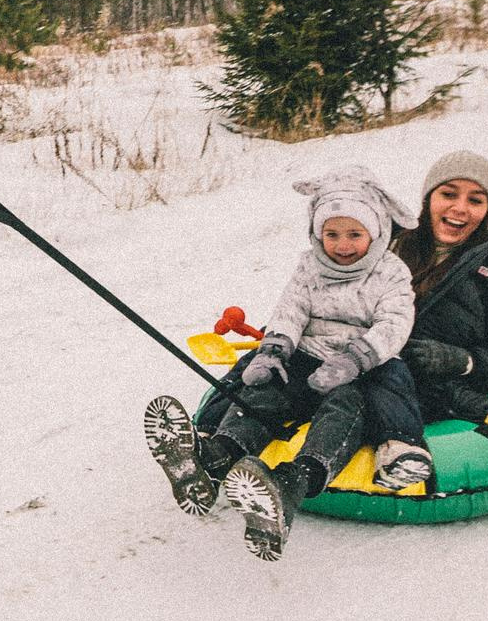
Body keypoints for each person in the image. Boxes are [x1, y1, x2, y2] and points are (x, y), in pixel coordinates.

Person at [163, 166, 420, 561]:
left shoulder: (390, 273)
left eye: (355, 234)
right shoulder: (309, 267)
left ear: (378, 232)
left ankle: (293, 483)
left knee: (343, 411)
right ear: (317, 234)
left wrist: (354, 359)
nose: (343, 245)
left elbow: (395, 323)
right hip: (305, 354)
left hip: (358, 366)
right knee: (264, 395)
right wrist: (273, 351)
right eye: (331, 234)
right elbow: (291, 310)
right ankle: (216, 459)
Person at [376, 150, 488, 430]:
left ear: (486, 210)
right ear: (429, 199)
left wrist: (461, 361)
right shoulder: (390, 244)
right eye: (449, 194)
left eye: (475, 200)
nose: (460, 208)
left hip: (437, 398)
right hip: (367, 372)